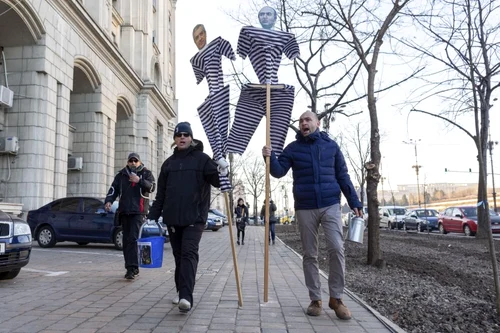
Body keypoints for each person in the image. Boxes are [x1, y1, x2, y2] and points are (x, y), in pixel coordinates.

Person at [262, 111, 362, 320]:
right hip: (305, 207)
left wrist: (354, 201)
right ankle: (315, 299)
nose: (303, 123)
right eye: (301, 121)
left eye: (308, 120)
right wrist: (269, 157)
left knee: (336, 247)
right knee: (310, 254)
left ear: (317, 123)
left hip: (330, 205)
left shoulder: (331, 146)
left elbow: (343, 175)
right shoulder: (293, 148)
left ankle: (336, 298)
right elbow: (279, 172)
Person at [148, 122, 221, 313]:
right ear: (174, 139)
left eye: (186, 135)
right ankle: (181, 290)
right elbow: (161, 194)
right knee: (179, 256)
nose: (182, 138)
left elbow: (218, 181)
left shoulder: (202, 160)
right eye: (179, 135)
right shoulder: (168, 164)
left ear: (191, 138)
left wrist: (222, 169)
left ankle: (186, 297)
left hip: (194, 218)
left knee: (189, 254)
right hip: (173, 218)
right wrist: (153, 215)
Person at [105, 153, 155, 280]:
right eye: (131, 161)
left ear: (139, 162)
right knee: (126, 241)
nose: (133, 163)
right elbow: (113, 189)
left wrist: (139, 181)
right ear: (127, 162)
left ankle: (132, 268)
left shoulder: (146, 173)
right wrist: (108, 201)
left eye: (135, 161)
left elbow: (152, 187)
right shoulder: (121, 175)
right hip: (124, 211)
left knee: (133, 239)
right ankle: (130, 267)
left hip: (138, 212)